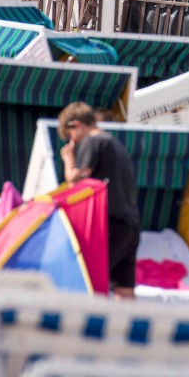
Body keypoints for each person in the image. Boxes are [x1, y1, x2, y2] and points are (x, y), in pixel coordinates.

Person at [58, 103, 141, 298]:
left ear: (77, 124)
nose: (73, 143)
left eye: (70, 136)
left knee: (90, 282)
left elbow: (74, 180)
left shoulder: (93, 141)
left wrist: (68, 159)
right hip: (130, 226)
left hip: (110, 225)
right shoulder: (116, 144)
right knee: (124, 290)